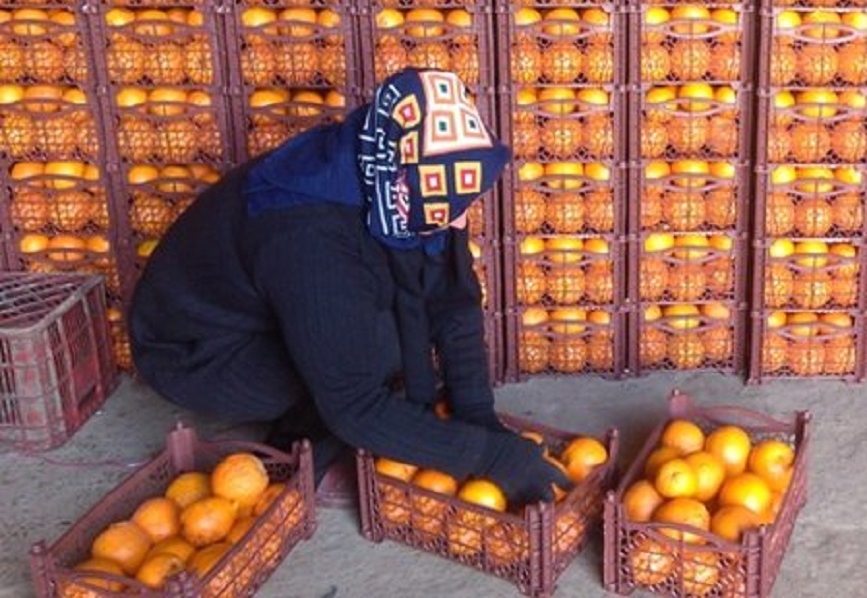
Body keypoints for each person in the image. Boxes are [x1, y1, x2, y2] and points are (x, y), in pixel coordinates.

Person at [128, 68, 568, 505]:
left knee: (390, 334)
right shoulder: (307, 230)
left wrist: (478, 415)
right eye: (445, 211)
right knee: (372, 356)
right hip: (197, 350)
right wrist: (490, 458)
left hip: (276, 304)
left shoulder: (404, 171)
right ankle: (295, 447)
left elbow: (453, 298)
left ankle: (360, 416)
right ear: (401, 182)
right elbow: (354, 404)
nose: (455, 222)